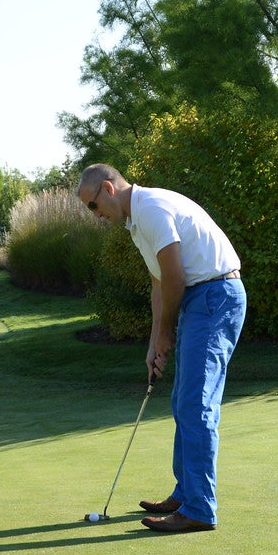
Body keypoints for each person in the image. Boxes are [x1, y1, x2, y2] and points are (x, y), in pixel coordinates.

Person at [77, 164, 246, 533]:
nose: (96, 215)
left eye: (93, 206)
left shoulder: (151, 209)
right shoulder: (136, 221)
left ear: (108, 188)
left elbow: (175, 277)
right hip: (202, 299)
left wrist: (167, 332)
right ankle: (186, 493)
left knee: (195, 403)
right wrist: (156, 341)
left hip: (215, 295)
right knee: (182, 402)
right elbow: (159, 285)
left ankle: (199, 508)